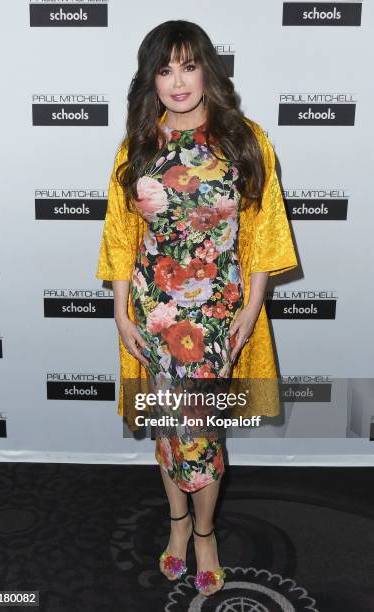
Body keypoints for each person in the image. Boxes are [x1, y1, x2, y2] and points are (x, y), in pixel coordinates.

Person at [96, 20, 298, 597]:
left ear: (208, 69)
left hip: (217, 314)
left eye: (188, 66)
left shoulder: (244, 138)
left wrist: (250, 308)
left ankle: (203, 531)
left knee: (203, 433)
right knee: (168, 426)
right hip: (156, 311)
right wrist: (121, 311)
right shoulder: (138, 146)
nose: (178, 81)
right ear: (150, 80)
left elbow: (263, 231)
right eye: (165, 69)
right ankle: (177, 523)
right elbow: (120, 236)